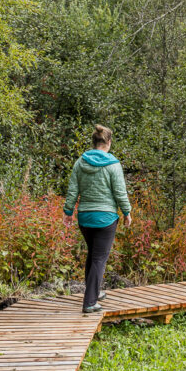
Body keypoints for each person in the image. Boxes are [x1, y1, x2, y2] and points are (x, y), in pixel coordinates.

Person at [63, 124, 132, 313]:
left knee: (93, 255)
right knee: (99, 259)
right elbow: (120, 192)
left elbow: (72, 190)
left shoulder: (80, 162)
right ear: (108, 142)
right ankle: (90, 302)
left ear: (94, 142)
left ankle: (94, 292)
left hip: (85, 217)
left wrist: (68, 212)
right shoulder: (113, 164)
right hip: (106, 218)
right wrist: (127, 212)